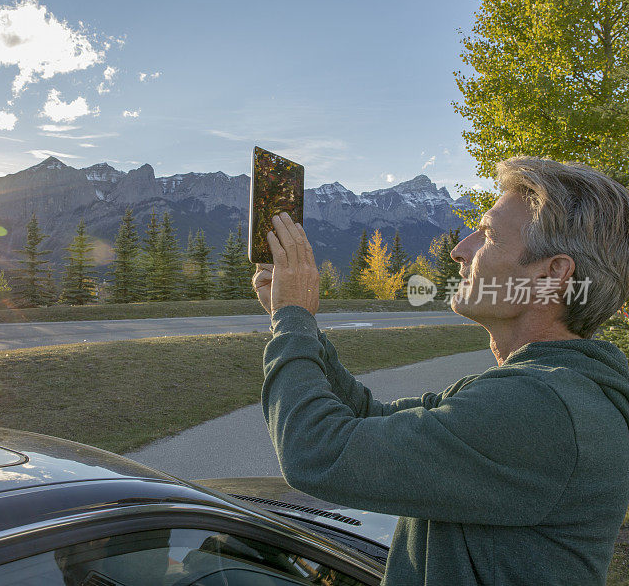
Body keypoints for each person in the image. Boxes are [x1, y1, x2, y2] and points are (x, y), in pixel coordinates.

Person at [251, 156, 629, 585]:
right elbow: (366, 417)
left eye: (487, 235)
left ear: (552, 274)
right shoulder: (544, 389)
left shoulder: (543, 408)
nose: (459, 250)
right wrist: (296, 321)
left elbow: (317, 452)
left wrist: (292, 316)